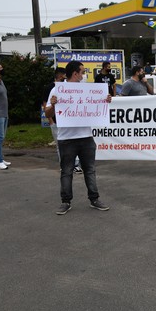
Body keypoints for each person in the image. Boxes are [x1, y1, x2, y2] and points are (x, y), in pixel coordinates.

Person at [44, 60, 112, 215]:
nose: (84, 75)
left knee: (90, 170)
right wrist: (53, 105)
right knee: (66, 171)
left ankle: (94, 199)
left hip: (86, 137)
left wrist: (105, 100)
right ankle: (66, 201)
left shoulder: (87, 90)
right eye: (82, 72)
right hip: (66, 138)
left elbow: (97, 104)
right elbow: (47, 113)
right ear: (75, 73)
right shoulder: (57, 89)